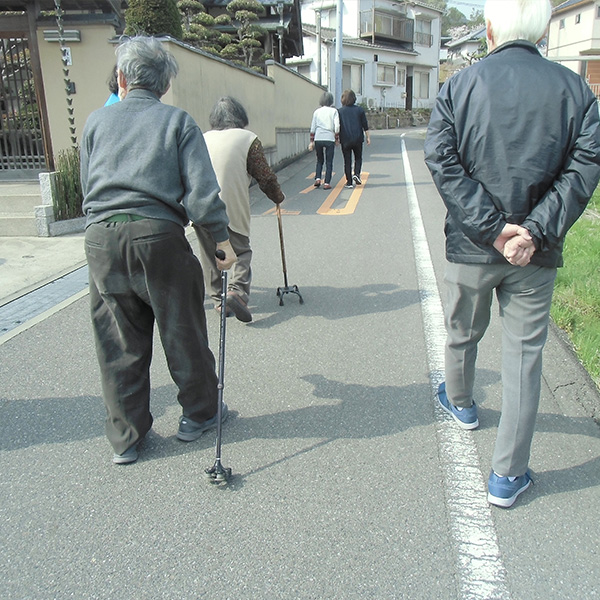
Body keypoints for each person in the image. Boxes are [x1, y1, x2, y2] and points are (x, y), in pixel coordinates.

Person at [424, 0, 600, 508]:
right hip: (535, 253)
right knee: (524, 357)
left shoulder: (459, 85)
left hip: (472, 246)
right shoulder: (576, 90)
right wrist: (533, 231)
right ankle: (508, 475)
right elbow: (585, 168)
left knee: (462, 331)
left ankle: (461, 404)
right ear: (545, 29)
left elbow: (442, 160)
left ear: (490, 27)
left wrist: (493, 230)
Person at [80, 36, 237, 465]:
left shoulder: (95, 122)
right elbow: (202, 196)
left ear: (121, 79)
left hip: (101, 238)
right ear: (165, 85)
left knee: (118, 340)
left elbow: (85, 191)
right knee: (181, 327)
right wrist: (221, 243)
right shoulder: (177, 122)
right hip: (158, 236)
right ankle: (199, 414)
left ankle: (126, 439)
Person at [194, 96, 285, 323]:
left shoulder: (202, 139)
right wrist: (277, 197)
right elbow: (264, 176)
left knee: (209, 254)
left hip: (199, 206)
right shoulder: (247, 139)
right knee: (241, 251)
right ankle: (236, 291)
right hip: (229, 205)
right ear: (240, 117)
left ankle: (218, 301)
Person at [337, 89, 370, 189]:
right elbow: (365, 125)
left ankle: (349, 182)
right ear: (354, 98)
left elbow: (337, 126)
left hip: (345, 139)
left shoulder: (340, 111)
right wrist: (368, 137)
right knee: (358, 158)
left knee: (347, 160)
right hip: (357, 138)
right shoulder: (359, 110)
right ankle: (356, 174)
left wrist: (337, 138)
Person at [308, 91, 339, 190]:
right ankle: (326, 183)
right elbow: (337, 126)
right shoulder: (334, 111)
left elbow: (313, 127)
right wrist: (337, 138)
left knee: (319, 160)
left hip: (318, 138)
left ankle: (317, 178)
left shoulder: (317, 112)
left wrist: (312, 141)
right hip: (329, 138)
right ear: (331, 101)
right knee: (329, 161)